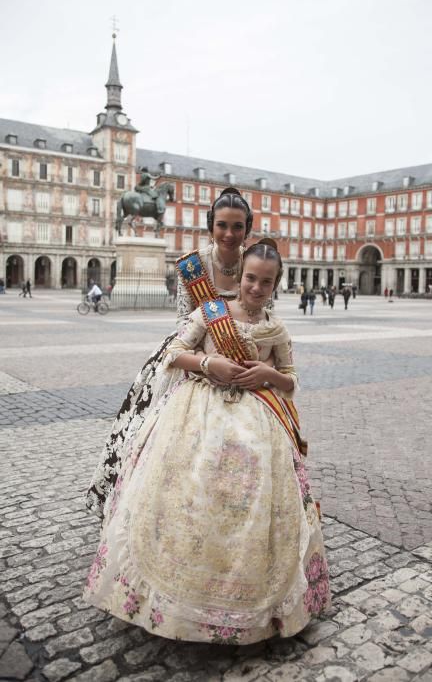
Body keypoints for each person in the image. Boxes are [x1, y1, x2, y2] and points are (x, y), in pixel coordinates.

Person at [83, 239, 330, 643]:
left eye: (265, 282)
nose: (255, 287)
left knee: (249, 501)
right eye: (250, 278)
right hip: (195, 413)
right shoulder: (210, 312)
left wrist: (267, 377)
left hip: (256, 420)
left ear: (276, 285)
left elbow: (291, 380)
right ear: (239, 276)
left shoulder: (277, 328)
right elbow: (173, 353)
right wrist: (207, 362)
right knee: (187, 494)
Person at [86, 187, 255, 518]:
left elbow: (264, 321)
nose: (230, 234)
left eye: (238, 226)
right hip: (191, 361)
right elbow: (183, 326)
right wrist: (208, 363)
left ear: (247, 228)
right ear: (211, 226)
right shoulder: (192, 267)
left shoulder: (257, 264)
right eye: (222, 225)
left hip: (243, 362)